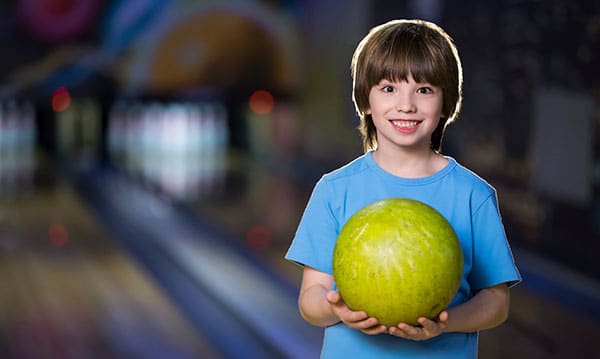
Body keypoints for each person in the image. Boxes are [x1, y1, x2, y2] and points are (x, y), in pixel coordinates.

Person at [285, 19, 521, 358]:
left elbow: (496, 302)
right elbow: (311, 300)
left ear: (446, 103)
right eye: (389, 89)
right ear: (365, 100)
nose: (406, 105)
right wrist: (337, 310)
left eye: (424, 90)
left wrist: (447, 322)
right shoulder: (334, 191)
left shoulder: (473, 195)